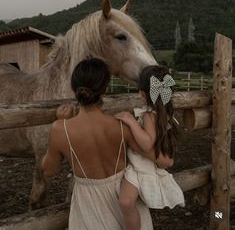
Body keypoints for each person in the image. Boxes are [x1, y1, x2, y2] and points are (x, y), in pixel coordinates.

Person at [41, 58, 173, 230]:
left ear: (75, 88)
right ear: (106, 89)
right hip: (124, 203)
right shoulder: (122, 126)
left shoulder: (61, 129)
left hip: (89, 206)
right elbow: (164, 161)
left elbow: (49, 169)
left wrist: (62, 123)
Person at [115, 65, 185, 230]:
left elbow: (146, 144)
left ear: (142, 93)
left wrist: (131, 121)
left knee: (125, 202)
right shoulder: (165, 115)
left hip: (140, 167)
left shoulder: (148, 115)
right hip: (148, 166)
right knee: (126, 202)